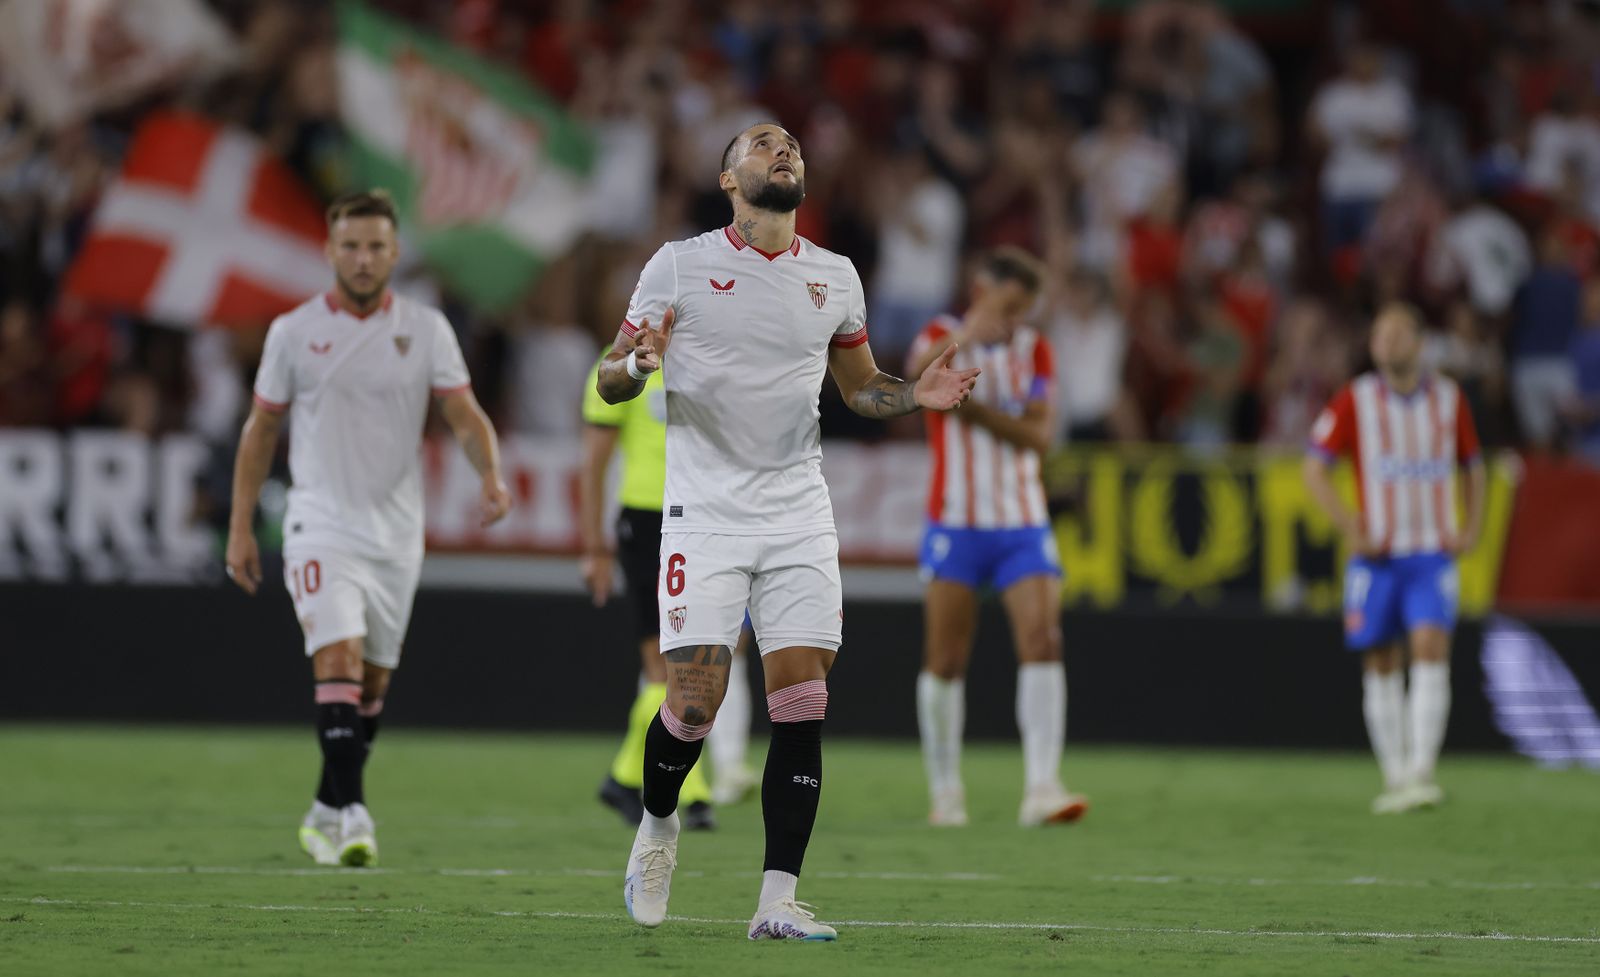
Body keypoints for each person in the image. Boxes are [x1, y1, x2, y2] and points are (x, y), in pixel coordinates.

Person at [596, 122, 978, 941]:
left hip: (797, 511)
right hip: (705, 513)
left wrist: (918, 394)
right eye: (764, 144)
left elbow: (861, 386)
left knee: (801, 701)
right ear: (728, 177)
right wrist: (638, 366)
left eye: (794, 147)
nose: (784, 152)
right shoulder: (679, 263)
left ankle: (777, 900)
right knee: (693, 703)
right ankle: (658, 825)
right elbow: (610, 376)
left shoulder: (834, 276)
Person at [225, 190, 510, 866]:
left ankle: (325, 804)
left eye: (376, 246)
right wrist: (240, 527)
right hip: (320, 522)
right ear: (330, 251)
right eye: (350, 246)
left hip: (395, 535)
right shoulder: (292, 332)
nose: (362, 258)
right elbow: (260, 430)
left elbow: (464, 415)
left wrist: (490, 475)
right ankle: (355, 814)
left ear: (395, 252)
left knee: (371, 688)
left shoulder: (426, 328)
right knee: (339, 661)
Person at [906, 247, 1087, 829]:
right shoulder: (939, 333)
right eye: (1008, 305)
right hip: (956, 522)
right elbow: (914, 382)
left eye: (1024, 308)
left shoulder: (1036, 350)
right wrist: (963, 336)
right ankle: (946, 790)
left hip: (1023, 522)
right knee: (946, 659)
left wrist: (972, 411)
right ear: (981, 287)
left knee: (1044, 640)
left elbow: (1039, 436)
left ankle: (1042, 787)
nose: (1015, 319)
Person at [1303, 303, 1486, 814]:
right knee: (1380, 660)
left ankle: (1422, 771)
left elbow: (1474, 466)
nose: (1386, 344)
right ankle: (1395, 774)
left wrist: (1470, 527)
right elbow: (1314, 468)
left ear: (1420, 343)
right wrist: (1348, 525)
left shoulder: (1448, 399)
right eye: (1380, 335)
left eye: (1398, 335)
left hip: (1429, 553)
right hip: (1377, 556)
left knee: (1430, 646)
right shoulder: (1354, 400)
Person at [579, 351, 759, 830]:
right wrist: (595, 547)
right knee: (663, 665)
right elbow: (594, 463)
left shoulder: (712, 360)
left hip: (704, 520)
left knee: (694, 662)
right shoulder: (619, 366)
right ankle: (692, 792)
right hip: (646, 518)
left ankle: (624, 776)